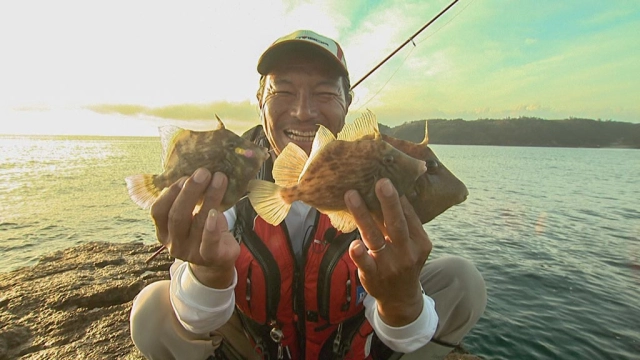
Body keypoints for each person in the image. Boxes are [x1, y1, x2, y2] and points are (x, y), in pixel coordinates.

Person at [130, 29, 486, 360]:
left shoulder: (371, 176)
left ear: (348, 102)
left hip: (347, 341)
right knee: (151, 312)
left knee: (463, 282)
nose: (303, 112)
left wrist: (402, 301)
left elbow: (402, 329)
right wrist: (207, 273)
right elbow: (197, 317)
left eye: (326, 93)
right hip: (256, 343)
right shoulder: (232, 170)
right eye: (282, 91)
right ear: (259, 101)